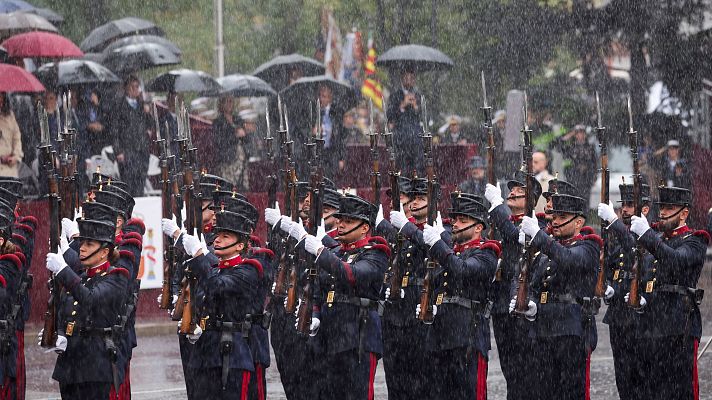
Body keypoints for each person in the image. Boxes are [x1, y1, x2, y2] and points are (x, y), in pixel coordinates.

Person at [299, 193, 389, 400]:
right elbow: (318, 291)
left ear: (364, 227)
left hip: (359, 335)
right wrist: (315, 314)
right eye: (340, 220)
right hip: (331, 336)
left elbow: (351, 274)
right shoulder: (337, 252)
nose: (341, 225)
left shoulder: (376, 252)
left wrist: (321, 252)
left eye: (348, 221)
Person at [515, 193, 600, 399]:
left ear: (578, 222)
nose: (555, 222)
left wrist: (539, 236)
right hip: (543, 329)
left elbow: (568, 259)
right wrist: (532, 303)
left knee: (570, 392)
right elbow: (533, 283)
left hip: (571, 329)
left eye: (562, 217)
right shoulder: (546, 252)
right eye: (554, 217)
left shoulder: (588, 246)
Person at [416, 192, 500, 399]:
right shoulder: (453, 252)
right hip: (441, 336)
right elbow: (441, 287)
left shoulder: (486, 251)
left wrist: (437, 244)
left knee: (469, 393)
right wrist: (433, 306)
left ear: (478, 227)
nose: (455, 224)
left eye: (463, 220)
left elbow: (462, 271)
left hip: (467, 336)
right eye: (454, 219)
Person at [628, 186, 708, 400]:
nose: (662, 212)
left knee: (680, 391)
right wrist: (641, 297)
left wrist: (647, 235)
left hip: (679, 324)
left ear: (684, 213)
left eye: (669, 207)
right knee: (651, 390)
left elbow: (676, 261)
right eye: (661, 207)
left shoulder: (695, 239)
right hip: (651, 324)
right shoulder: (656, 238)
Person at [177, 210, 262, 399]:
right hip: (204, 353)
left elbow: (216, 287)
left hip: (230, 354)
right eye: (217, 235)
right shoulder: (215, 270)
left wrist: (199, 255)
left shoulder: (247, 271)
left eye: (225, 236)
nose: (217, 240)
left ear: (240, 245)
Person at [44, 213, 130, 399]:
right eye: (81, 243)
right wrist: (58, 333)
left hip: (94, 366)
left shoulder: (116, 277)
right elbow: (64, 311)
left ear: (104, 252)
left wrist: (63, 270)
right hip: (69, 366)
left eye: (88, 245)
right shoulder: (82, 278)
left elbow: (90, 299)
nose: (81, 249)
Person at [484, 171, 542, 400]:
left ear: (532, 200)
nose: (513, 192)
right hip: (500, 305)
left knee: (527, 372)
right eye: (512, 188)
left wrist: (498, 206)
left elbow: (519, 238)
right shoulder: (497, 224)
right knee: (510, 370)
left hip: (523, 304)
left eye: (520, 190)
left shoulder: (537, 224)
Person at [597, 183, 653, 400]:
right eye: (623, 206)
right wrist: (610, 286)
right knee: (623, 377)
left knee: (642, 378)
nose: (625, 210)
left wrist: (613, 223)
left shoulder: (651, 235)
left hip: (641, 320)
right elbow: (611, 266)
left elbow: (635, 251)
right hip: (619, 318)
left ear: (645, 209)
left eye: (631, 205)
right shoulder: (621, 238)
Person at [110, 75, 153, 197]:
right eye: (132, 87)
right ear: (126, 88)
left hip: (141, 152)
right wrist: (118, 151)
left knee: (140, 184)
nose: (135, 90)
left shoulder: (141, 105)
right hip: (127, 151)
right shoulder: (119, 106)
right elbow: (115, 131)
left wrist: (147, 113)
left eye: (137, 87)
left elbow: (150, 124)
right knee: (128, 185)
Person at [387, 68, 423, 174]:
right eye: (406, 77)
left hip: (415, 138)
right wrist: (402, 105)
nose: (409, 80)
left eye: (411, 78)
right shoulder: (395, 95)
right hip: (400, 138)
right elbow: (389, 115)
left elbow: (424, 117)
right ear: (402, 79)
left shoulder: (418, 95)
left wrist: (416, 106)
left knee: (416, 168)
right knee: (401, 167)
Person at [213, 96, 250, 192]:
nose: (229, 104)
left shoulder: (238, 119)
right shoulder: (218, 122)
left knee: (241, 188)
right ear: (221, 104)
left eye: (231, 101)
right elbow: (219, 141)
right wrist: (235, 135)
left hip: (242, 159)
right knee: (228, 187)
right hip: (228, 159)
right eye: (227, 101)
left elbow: (247, 139)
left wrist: (244, 134)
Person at [553, 125, 597, 206]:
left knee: (585, 202)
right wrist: (569, 135)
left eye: (582, 133)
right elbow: (556, 146)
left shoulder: (590, 147)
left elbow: (594, 163)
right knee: (574, 201)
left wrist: (594, 176)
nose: (580, 135)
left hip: (586, 178)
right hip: (573, 178)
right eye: (577, 133)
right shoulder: (570, 147)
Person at [0, 93, 23, 178]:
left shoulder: (10, 116)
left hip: (9, 171)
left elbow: (17, 138)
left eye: (1, 95)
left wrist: (16, 156)